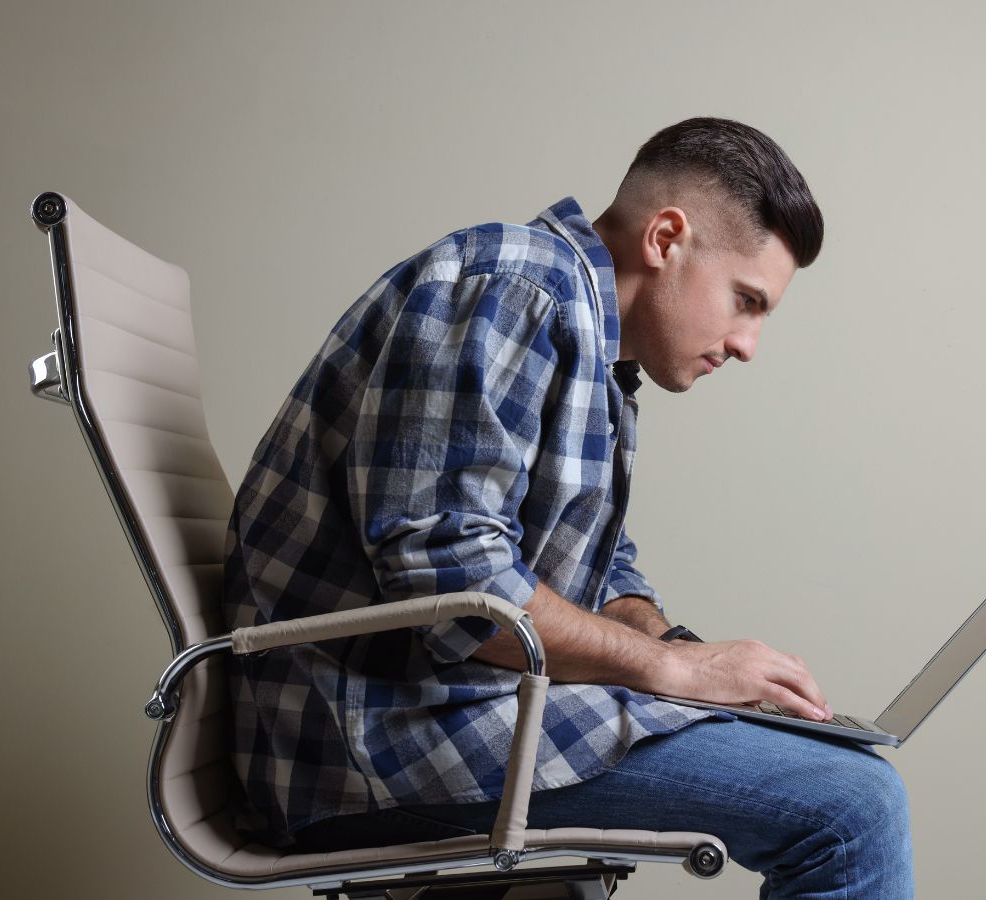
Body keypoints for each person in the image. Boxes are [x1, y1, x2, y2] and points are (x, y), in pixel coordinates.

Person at [224, 117, 913, 898]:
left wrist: (680, 650)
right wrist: (671, 669)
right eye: (745, 300)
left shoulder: (591, 346)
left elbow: (594, 566)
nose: (748, 343)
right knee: (854, 807)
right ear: (666, 239)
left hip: (447, 710)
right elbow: (453, 588)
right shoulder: (513, 287)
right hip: (371, 736)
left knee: (841, 769)